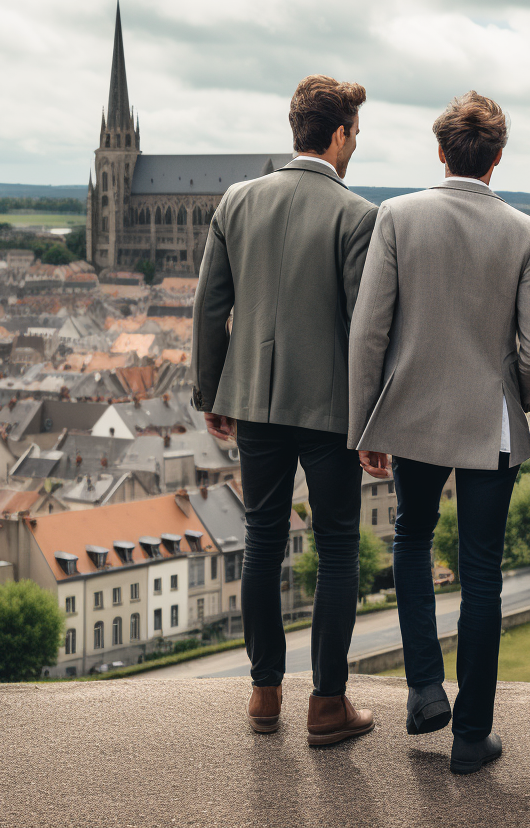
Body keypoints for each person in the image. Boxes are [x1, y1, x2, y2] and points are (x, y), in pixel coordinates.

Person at [348, 90, 530, 775]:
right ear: (497, 159)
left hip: (408, 413)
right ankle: (471, 735)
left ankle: (422, 689)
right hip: (490, 420)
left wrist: (365, 423)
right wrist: (513, 395)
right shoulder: (527, 234)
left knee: (410, 537)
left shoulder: (397, 216)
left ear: (440, 152)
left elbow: (370, 330)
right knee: (482, 572)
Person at [191, 75, 378, 746]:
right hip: (332, 412)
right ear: (337, 135)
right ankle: (327, 705)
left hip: (257, 404)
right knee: (336, 550)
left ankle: (264, 694)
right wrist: (373, 422)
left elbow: (210, 306)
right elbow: (365, 328)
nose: (357, 142)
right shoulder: (358, 215)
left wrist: (211, 392)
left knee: (262, 542)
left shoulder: (238, 200)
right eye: (356, 131)